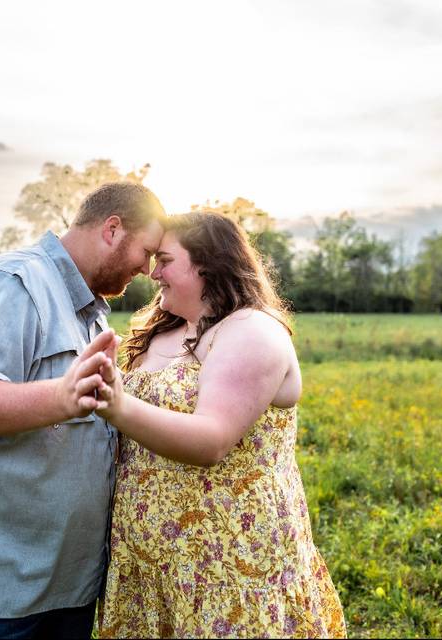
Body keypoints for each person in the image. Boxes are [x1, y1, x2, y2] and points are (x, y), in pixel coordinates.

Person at [0, 182, 165, 639]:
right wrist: (61, 396)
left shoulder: (91, 312)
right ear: (112, 229)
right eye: (147, 251)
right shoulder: (14, 283)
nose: (148, 268)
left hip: (61, 585)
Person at [88, 211, 347, 638]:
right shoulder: (161, 331)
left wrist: (117, 405)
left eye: (166, 260)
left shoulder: (250, 329)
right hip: (153, 567)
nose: (154, 273)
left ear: (208, 264)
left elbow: (213, 440)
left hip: (227, 565)